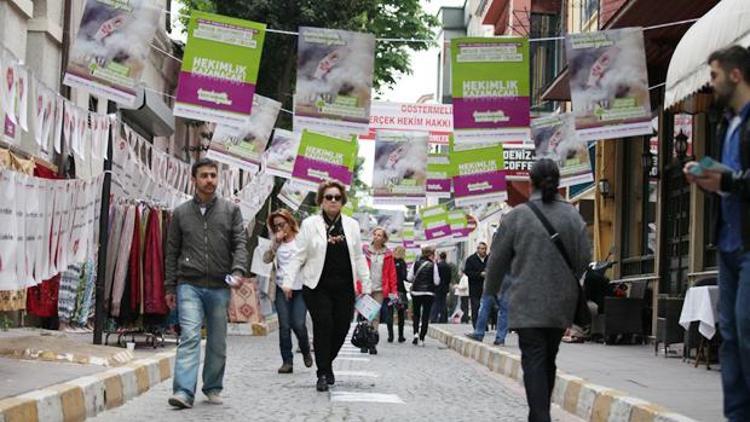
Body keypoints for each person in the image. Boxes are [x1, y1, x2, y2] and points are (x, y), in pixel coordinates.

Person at [484, 159, 591, 422]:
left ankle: (540, 415)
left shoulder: (516, 216)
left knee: (533, 357)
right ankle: (539, 415)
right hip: (560, 302)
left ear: (530, 183)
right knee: (549, 356)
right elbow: (583, 259)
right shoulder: (572, 216)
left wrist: (491, 292)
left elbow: (496, 261)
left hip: (527, 300)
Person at [683, 45, 750, 421]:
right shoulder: (728, 122)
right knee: (728, 338)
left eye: (714, 76)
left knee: (745, 330)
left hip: (748, 244)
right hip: (726, 243)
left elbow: (739, 180)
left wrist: (727, 180)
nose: (710, 83)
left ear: (735, 75)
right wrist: (711, 180)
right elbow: (729, 181)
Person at [164, 158, 248, 409]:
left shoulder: (231, 211)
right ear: (194, 179)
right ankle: (183, 391)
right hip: (189, 283)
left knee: (217, 340)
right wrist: (170, 286)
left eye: (213, 175)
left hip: (220, 285)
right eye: (204, 175)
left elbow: (240, 244)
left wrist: (238, 270)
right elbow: (171, 252)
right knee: (189, 335)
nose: (210, 180)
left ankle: (212, 386)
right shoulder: (180, 213)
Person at [280, 180, 371, 392]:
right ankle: (322, 372)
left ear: (342, 201)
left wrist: (365, 284)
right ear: (321, 200)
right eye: (328, 197)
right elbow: (298, 255)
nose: (332, 201)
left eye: (337, 198)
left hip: (345, 287)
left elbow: (358, 257)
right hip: (317, 286)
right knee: (324, 324)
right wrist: (287, 281)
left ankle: (327, 362)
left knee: (341, 328)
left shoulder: (352, 225)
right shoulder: (310, 224)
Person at [263, 209, 313, 374]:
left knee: (298, 324)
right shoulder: (276, 242)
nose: (279, 229)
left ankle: (305, 348)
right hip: (280, 288)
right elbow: (265, 259)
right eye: (275, 226)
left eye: (281, 224)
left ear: (290, 223)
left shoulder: (301, 240)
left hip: (300, 288)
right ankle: (287, 362)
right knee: (284, 326)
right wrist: (275, 245)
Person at [362, 227, 397, 354]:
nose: (376, 237)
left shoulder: (388, 254)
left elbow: (392, 274)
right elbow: (359, 268)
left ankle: (372, 342)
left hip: (380, 289)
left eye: (379, 235)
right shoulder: (365, 251)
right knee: (366, 314)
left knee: (375, 316)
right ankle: (364, 341)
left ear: (384, 239)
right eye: (375, 234)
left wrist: (394, 291)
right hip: (366, 287)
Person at [410, 245, 440, 346]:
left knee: (416, 314)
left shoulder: (416, 263)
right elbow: (436, 281)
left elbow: (409, 277)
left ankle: (415, 334)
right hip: (428, 293)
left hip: (416, 292)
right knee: (425, 315)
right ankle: (422, 338)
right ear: (431, 254)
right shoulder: (433, 265)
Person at [386, 246, 408, 343]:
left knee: (390, 312)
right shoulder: (402, 263)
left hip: (391, 290)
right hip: (400, 291)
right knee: (400, 313)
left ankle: (390, 336)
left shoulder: (390, 261)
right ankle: (400, 336)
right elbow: (404, 276)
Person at [464, 242, 488, 329]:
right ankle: (476, 326)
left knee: (485, 307)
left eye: (484, 249)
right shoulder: (471, 259)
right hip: (475, 287)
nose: (483, 251)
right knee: (476, 307)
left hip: (487, 287)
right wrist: (479, 274)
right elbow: (468, 272)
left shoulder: (488, 258)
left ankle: (485, 325)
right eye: (481, 249)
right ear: (477, 249)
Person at [430, 252, 452, 323]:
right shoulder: (448, 266)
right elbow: (449, 278)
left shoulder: (437, 266)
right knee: (443, 303)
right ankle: (443, 318)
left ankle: (434, 318)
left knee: (436, 302)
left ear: (440, 257)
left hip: (437, 287)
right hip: (445, 287)